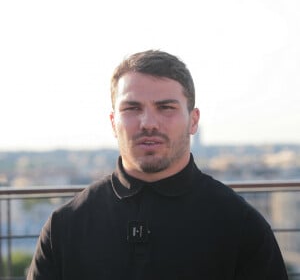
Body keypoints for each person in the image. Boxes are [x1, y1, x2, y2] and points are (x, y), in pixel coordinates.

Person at [27, 50, 288, 280]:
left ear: (193, 120)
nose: (148, 122)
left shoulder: (241, 227)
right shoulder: (65, 226)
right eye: (132, 108)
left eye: (165, 107)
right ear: (112, 122)